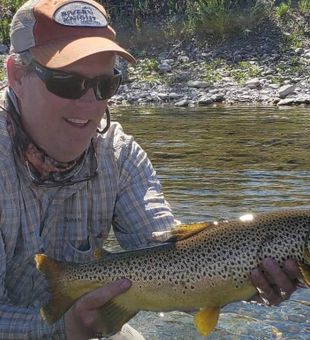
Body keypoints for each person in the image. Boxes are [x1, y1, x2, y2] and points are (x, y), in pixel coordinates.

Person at [0, 0, 303, 339]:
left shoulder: (120, 158)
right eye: (67, 83)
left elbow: (169, 258)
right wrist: (60, 329)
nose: (89, 104)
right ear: (17, 76)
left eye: (105, 85)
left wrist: (246, 277)